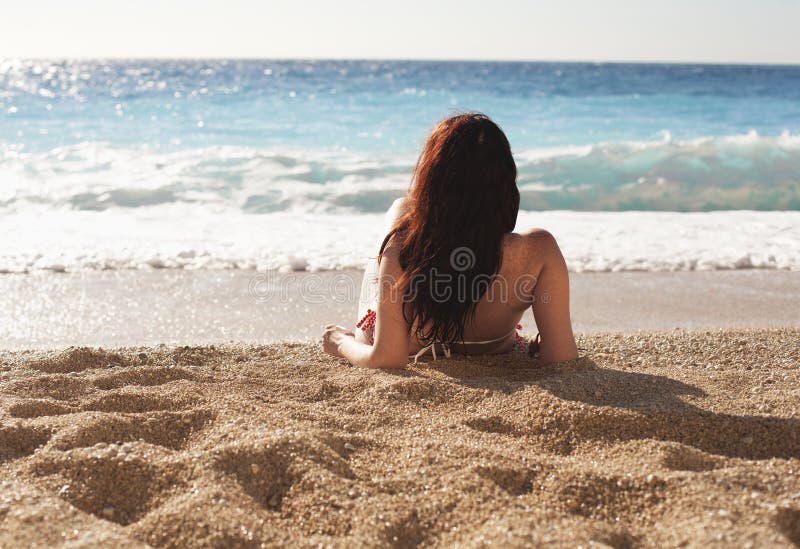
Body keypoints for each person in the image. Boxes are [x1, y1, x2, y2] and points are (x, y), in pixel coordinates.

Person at [322, 113, 577, 368]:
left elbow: (387, 359)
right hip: (496, 348)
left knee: (399, 217)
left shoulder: (406, 233)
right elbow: (561, 357)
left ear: (433, 176)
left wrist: (340, 342)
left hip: (411, 347)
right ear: (506, 177)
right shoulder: (539, 249)